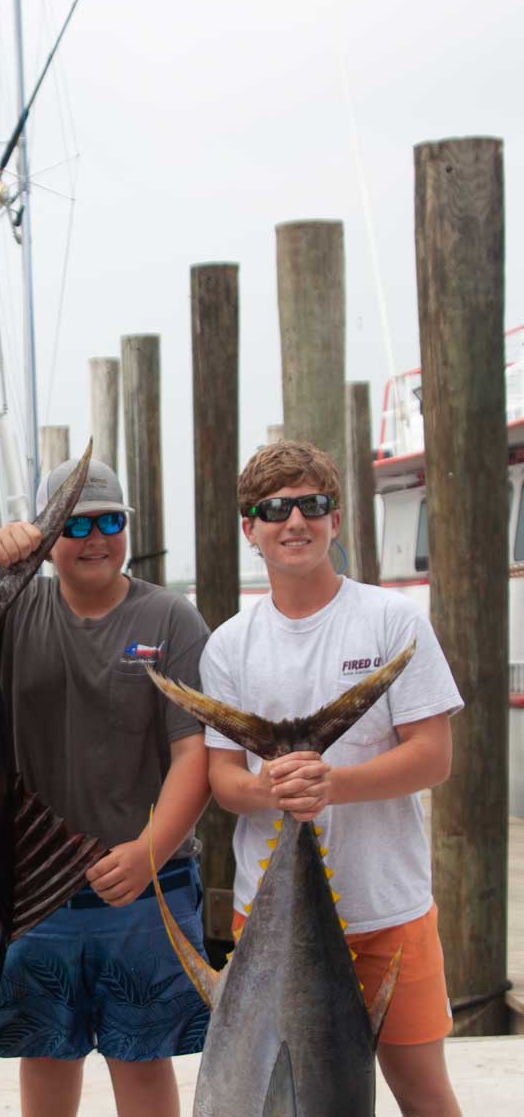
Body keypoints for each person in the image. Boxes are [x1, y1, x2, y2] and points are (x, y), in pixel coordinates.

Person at [200, 439, 462, 1117]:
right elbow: (225, 779)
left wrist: (331, 783)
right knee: (257, 1100)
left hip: (388, 911)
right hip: (265, 918)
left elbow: (434, 755)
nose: (295, 521)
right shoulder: (229, 644)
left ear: (336, 519)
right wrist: (276, 790)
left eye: (312, 505)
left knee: (425, 1092)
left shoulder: (392, 620)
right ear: (249, 528)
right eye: (275, 508)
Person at [0, 457, 211, 1117]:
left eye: (111, 520)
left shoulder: (171, 620)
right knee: (45, 1058)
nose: (96, 537)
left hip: (146, 887)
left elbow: (196, 753)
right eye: (75, 525)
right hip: (37, 891)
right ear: (46, 537)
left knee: (143, 1059)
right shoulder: (9, 605)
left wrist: (149, 851)